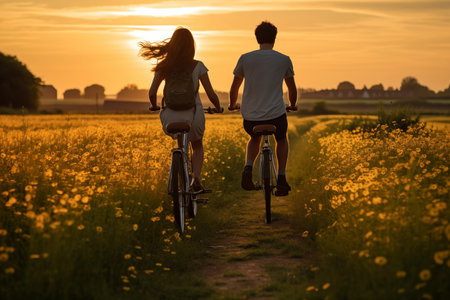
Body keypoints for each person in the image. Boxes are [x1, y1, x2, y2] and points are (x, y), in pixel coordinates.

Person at [139, 27, 222, 192]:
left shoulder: (164, 66)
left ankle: (178, 169)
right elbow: (211, 94)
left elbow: (152, 92)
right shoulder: (198, 65)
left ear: (172, 45)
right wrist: (218, 107)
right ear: (192, 46)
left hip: (170, 116)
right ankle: (196, 179)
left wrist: (155, 105)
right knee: (197, 145)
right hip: (194, 115)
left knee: (180, 142)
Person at [229, 21, 297, 196]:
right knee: (281, 139)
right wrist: (292, 105)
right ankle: (281, 177)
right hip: (276, 115)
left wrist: (232, 104)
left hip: (251, 117)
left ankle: (248, 168)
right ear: (275, 38)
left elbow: (234, 87)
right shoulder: (284, 59)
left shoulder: (245, 58)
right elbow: (292, 89)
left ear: (257, 38)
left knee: (254, 138)